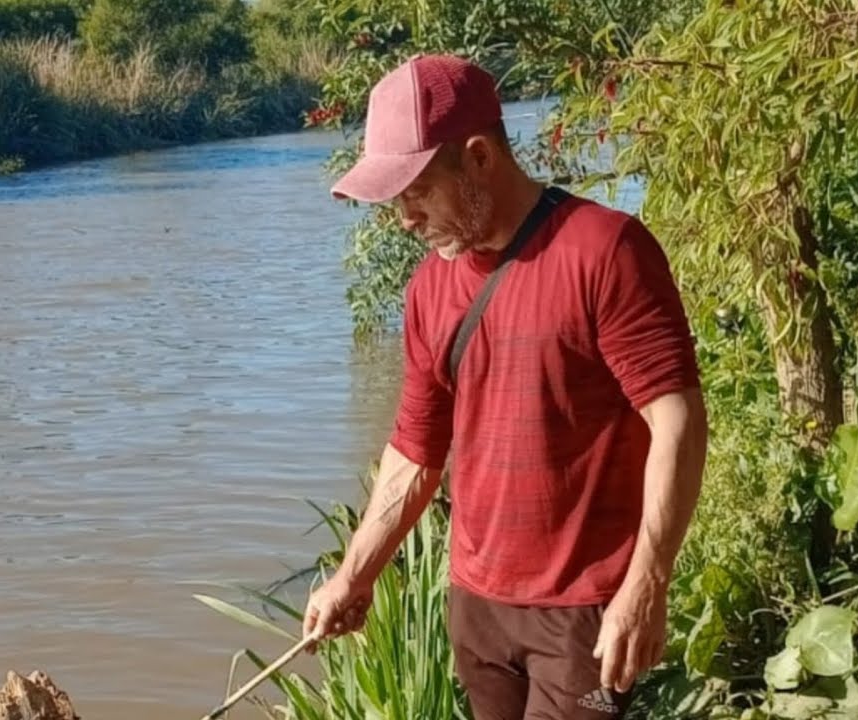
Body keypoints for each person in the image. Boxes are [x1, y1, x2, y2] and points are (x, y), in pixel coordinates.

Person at [302, 53, 709, 720]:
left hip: (581, 610)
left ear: (480, 158)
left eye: (417, 190)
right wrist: (354, 575)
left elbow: (678, 421)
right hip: (478, 609)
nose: (404, 218)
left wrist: (648, 582)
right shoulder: (431, 289)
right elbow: (415, 452)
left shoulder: (606, 252)